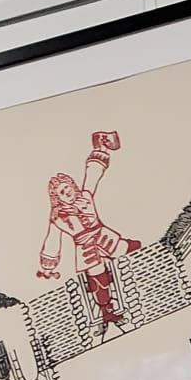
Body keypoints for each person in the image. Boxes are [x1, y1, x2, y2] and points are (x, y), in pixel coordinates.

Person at [37, 128, 143, 328]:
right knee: (98, 276)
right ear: (57, 198)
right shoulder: (58, 217)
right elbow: (52, 241)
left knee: (128, 249)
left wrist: (100, 149)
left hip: (105, 237)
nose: (67, 192)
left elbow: (92, 175)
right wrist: (48, 267)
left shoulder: (85, 197)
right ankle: (107, 313)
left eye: (67, 187)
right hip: (85, 249)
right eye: (62, 192)